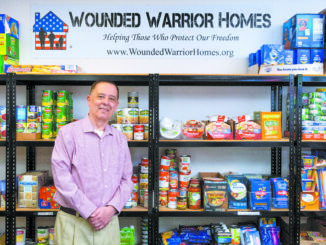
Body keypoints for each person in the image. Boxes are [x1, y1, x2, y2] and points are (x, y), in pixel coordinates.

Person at [51, 81, 133, 245]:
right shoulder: (68, 133)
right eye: (100, 96)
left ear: (116, 105)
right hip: (73, 224)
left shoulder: (120, 139)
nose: (105, 102)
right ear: (89, 99)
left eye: (111, 98)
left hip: (108, 224)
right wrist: (90, 211)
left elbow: (127, 180)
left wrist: (110, 210)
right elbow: (61, 178)